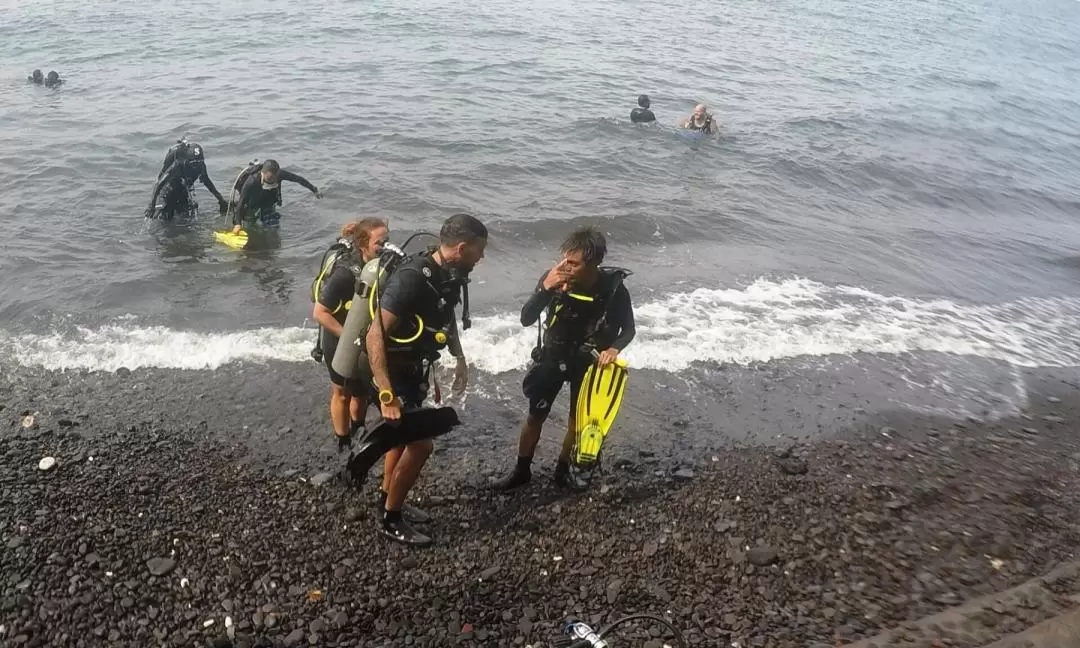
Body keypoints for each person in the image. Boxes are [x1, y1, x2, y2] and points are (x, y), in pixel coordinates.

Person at [364, 213, 486, 546]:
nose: (482, 257)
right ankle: (391, 519)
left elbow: (447, 319)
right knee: (421, 445)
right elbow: (374, 335)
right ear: (461, 248)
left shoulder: (451, 275)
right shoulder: (412, 278)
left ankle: (387, 496)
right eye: (479, 251)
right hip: (387, 373)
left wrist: (460, 358)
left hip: (413, 370)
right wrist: (387, 394)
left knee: (402, 441)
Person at [493, 226, 635, 492]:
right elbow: (526, 319)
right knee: (535, 416)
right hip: (553, 356)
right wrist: (546, 288)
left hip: (587, 362)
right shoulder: (553, 279)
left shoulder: (614, 289)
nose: (566, 267)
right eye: (565, 260)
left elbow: (629, 330)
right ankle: (521, 470)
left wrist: (614, 349)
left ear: (594, 264)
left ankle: (562, 470)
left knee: (576, 422)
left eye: (574, 263)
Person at [312, 218, 389, 452]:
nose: (385, 246)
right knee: (342, 392)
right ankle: (342, 439)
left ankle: (358, 428)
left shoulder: (381, 267)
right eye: (380, 242)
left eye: (387, 240)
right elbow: (319, 312)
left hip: (364, 339)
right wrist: (348, 337)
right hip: (338, 339)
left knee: (362, 391)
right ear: (364, 245)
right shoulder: (345, 273)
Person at [144, 139, 227, 220]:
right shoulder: (178, 165)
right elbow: (159, 184)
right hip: (168, 191)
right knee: (166, 220)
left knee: (186, 219)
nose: (196, 166)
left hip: (183, 191)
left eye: (198, 162)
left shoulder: (201, 166)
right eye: (193, 163)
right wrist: (151, 205)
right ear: (187, 161)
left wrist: (221, 200)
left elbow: (208, 183)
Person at [229, 159, 321, 232]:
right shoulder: (251, 182)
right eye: (270, 178)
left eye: (275, 177)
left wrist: (314, 189)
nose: (273, 180)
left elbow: (299, 179)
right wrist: (238, 224)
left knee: (273, 227)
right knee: (250, 222)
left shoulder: (280, 174)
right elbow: (241, 203)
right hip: (254, 197)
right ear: (263, 173)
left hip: (269, 198)